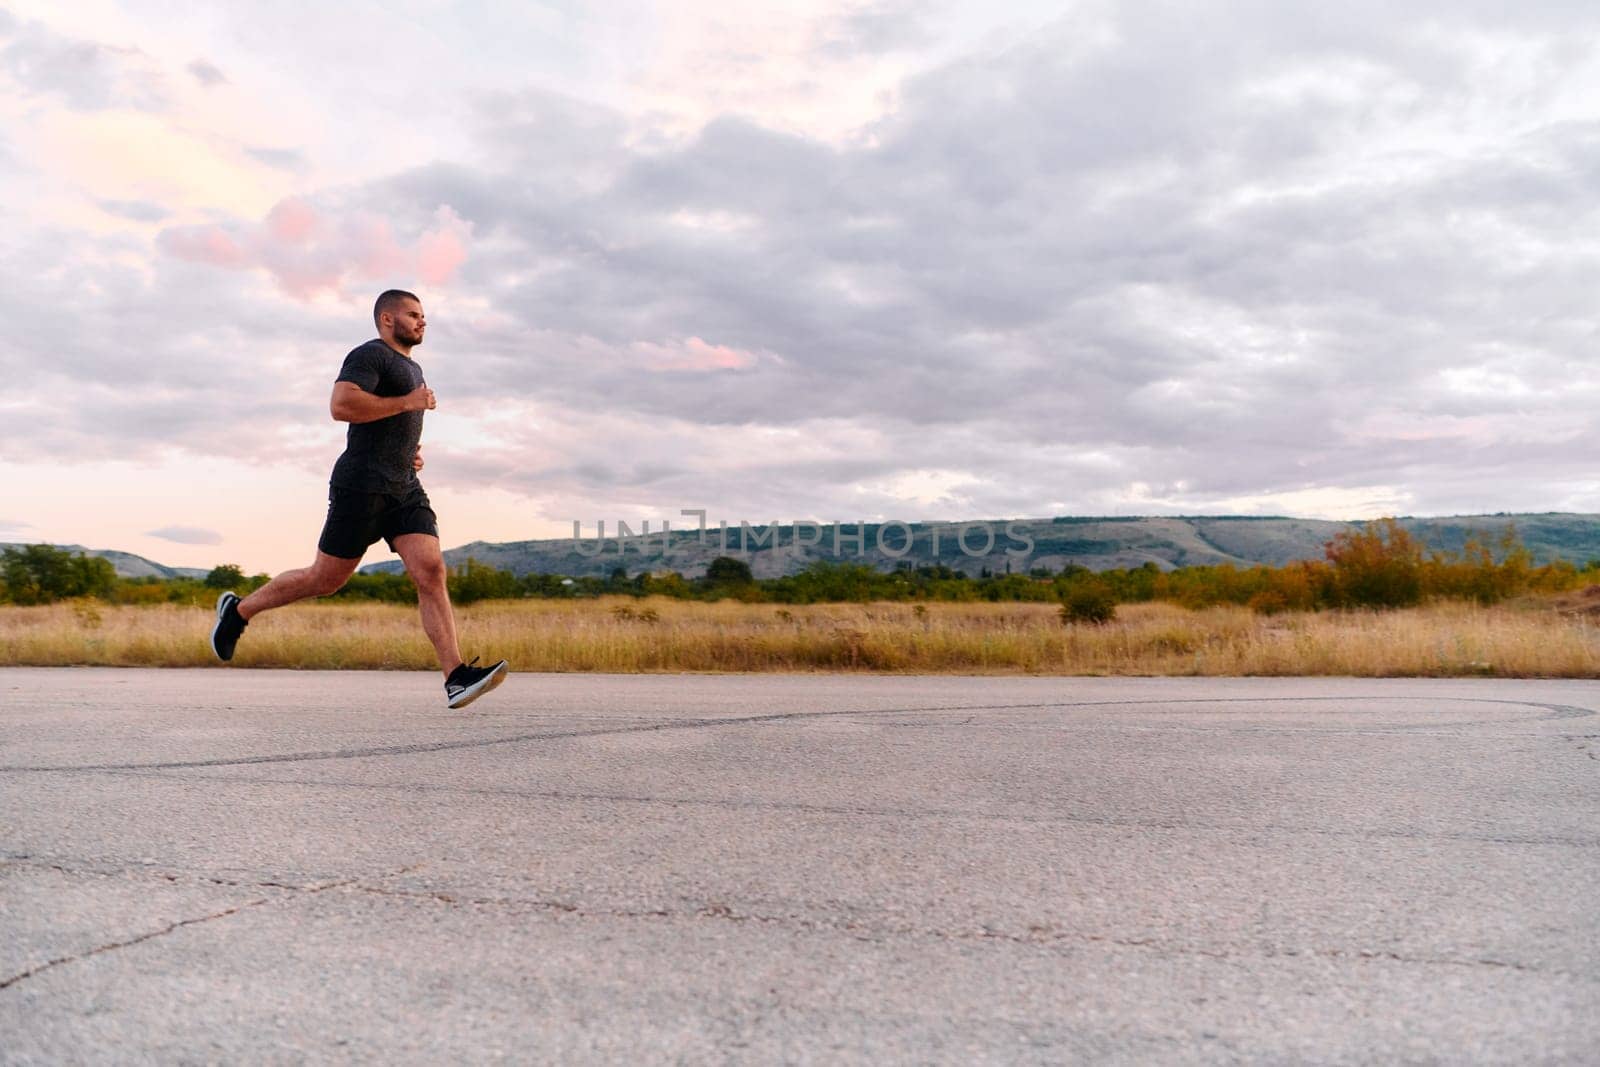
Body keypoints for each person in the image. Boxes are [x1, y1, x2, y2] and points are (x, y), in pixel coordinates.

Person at [209, 289, 509, 709]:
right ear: (388, 319)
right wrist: (408, 401)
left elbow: (387, 424)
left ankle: (456, 676)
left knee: (431, 570)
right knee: (324, 580)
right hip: (361, 486)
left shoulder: (412, 366)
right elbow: (342, 405)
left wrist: (409, 453)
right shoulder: (369, 355)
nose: (423, 321)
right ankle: (238, 612)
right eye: (413, 314)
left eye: (424, 315)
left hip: (403, 486)